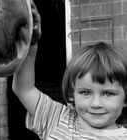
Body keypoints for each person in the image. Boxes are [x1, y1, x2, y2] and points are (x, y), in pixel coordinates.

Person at [12, 4, 127, 140]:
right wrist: (30, 39)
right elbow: (24, 89)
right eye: (85, 92)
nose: (96, 104)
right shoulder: (58, 119)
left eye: (108, 93)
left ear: (125, 98)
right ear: (72, 93)